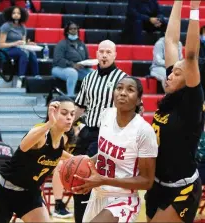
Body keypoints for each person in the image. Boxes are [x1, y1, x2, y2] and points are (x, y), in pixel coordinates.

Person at [145, 1, 205, 222]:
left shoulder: (192, 102)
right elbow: (171, 40)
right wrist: (177, 1)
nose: (169, 75)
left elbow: (191, 55)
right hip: (156, 184)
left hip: (182, 189)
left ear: (192, 79)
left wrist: (194, 8)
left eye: (176, 73)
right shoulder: (173, 90)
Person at [72, 76, 158, 223]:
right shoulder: (107, 115)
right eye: (119, 88)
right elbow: (105, 155)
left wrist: (104, 180)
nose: (122, 93)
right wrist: (82, 165)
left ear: (138, 100)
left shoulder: (144, 131)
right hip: (97, 194)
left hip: (123, 200)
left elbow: (147, 181)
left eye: (130, 90)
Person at [0, 96, 76, 223]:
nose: (69, 117)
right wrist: (49, 123)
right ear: (52, 112)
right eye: (64, 113)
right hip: (4, 190)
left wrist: (76, 159)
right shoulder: (40, 132)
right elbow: (24, 146)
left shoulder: (64, 139)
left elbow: (55, 152)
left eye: (72, 114)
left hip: (30, 193)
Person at [73, 39, 128, 223]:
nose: (104, 55)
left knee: (90, 178)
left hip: (106, 136)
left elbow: (136, 109)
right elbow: (80, 106)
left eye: (108, 52)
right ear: (96, 54)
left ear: (115, 55)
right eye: (101, 51)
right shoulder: (88, 78)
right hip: (87, 132)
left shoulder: (123, 79)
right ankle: (80, 219)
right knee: (75, 177)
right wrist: (68, 125)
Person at [51, 116, 86, 219]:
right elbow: (56, 153)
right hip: (51, 162)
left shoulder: (85, 136)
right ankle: (58, 204)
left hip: (71, 164)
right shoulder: (61, 133)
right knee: (61, 165)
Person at [0, 6, 40, 88]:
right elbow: (1, 45)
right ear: (10, 14)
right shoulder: (6, 26)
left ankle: (36, 76)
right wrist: (14, 43)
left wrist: (28, 44)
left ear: (22, 15)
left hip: (18, 48)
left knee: (32, 53)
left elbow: (23, 43)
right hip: (7, 49)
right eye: (14, 13)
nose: (16, 15)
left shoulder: (23, 27)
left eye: (18, 13)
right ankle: (21, 78)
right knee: (23, 54)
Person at [52, 21, 93, 97]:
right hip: (60, 68)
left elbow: (87, 58)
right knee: (72, 72)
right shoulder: (62, 44)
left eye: (75, 28)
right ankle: (70, 96)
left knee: (94, 73)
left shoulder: (81, 44)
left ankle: (90, 96)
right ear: (67, 31)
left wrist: (87, 64)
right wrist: (72, 64)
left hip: (79, 69)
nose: (74, 30)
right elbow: (58, 60)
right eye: (71, 29)